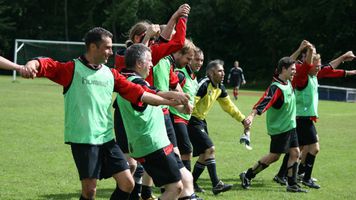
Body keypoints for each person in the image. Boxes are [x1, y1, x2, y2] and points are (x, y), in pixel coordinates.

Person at [19, 27, 188, 200]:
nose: (111, 52)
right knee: (89, 191)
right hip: (84, 139)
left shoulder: (111, 74)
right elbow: (47, 65)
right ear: (93, 47)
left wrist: (170, 100)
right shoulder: (72, 69)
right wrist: (34, 63)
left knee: (127, 183)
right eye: (107, 47)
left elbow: (141, 93)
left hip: (107, 139)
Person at [116, 43, 200, 200]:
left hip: (155, 143)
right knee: (175, 187)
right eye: (149, 60)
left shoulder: (132, 80)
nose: (152, 64)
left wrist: (179, 103)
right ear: (139, 63)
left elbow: (154, 93)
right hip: (152, 145)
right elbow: (154, 97)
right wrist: (175, 99)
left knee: (178, 185)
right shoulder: (134, 82)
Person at [273, 42, 356, 189]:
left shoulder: (313, 74)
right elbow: (297, 64)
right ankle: (303, 177)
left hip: (304, 117)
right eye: (316, 64)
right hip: (300, 117)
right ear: (308, 61)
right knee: (311, 148)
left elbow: (329, 69)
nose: (319, 67)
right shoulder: (301, 73)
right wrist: (306, 49)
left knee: (298, 149)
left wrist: (346, 64)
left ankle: (285, 175)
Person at [239, 57, 307, 193]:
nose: (295, 72)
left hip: (290, 126)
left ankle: (292, 184)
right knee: (274, 156)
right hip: (280, 129)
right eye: (292, 69)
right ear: (283, 69)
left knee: (295, 152)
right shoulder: (276, 88)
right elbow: (263, 102)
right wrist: (251, 116)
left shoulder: (287, 83)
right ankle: (247, 175)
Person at [188, 59, 248, 195]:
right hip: (191, 120)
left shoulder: (219, 87)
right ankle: (216, 184)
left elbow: (228, 106)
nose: (223, 73)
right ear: (210, 72)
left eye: (223, 71)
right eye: (220, 71)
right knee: (210, 149)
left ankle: (191, 183)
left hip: (201, 121)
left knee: (205, 154)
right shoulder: (204, 84)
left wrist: (243, 119)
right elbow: (191, 101)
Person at [170, 47, 204, 172]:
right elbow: (170, 91)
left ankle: (181, 183)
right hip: (176, 117)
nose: (199, 63)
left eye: (201, 60)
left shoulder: (194, 78)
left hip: (185, 119)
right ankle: (187, 185)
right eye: (196, 59)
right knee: (186, 151)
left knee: (179, 151)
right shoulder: (181, 74)